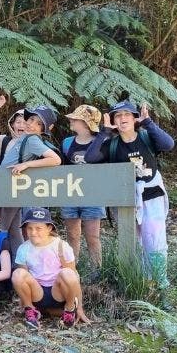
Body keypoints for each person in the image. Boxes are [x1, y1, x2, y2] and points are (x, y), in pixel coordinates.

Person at [84, 100, 174, 295]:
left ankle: (160, 285)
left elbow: (168, 145)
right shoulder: (113, 144)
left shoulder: (146, 137)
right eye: (118, 115)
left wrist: (148, 122)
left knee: (154, 241)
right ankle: (137, 285)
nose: (123, 118)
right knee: (131, 243)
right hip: (125, 201)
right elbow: (90, 158)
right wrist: (104, 133)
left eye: (127, 114)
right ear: (114, 120)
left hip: (151, 197)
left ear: (134, 118)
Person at [0, 105, 62, 257]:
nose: (32, 124)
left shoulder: (33, 139)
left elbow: (55, 159)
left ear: (43, 129)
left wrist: (26, 164)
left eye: (38, 123)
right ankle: (20, 263)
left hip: (11, 189)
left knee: (0, 229)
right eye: (31, 119)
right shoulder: (24, 138)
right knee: (14, 232)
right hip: (8, 187)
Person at [12, 207, 89, 329]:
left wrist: (80, 307)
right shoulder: (24, 248)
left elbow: (74, 279)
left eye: (39, 228)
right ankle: (31, 310)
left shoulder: (61, 246)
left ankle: (69, 310)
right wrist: (23, 302)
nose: (33, 232)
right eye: (30, 228)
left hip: (58, 292)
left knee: (68, 273)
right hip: (37, 292)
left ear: (49, 228)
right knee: (17, 273)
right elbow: (23, 278)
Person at [60, 105, 104, 272]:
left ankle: (97, 270)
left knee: (92, 236)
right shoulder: (67, 143)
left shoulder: (101, 142)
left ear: (86, 123)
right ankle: (73, 268)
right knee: (72, 234)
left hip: (93, 195)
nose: (71, 121)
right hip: (70, 194)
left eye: (75, 119)